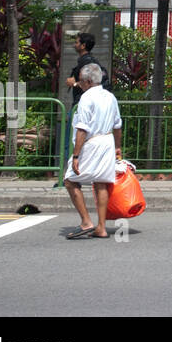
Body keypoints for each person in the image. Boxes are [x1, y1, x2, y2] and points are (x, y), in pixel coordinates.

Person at [63, 63, 122, 239]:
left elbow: (82, 129)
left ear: (88, 81)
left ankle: (86, 221)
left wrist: (76, 155)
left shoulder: (86, 98)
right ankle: (101, 227)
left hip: (92, 143)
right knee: (101, 182)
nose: (79, 84)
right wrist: (118, 147)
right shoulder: (110, 96)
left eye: (81, 81)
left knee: (70, 180)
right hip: (107, 141)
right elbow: (118, 124)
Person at [66, 32, 110, 105]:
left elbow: (92, 83)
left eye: (76, 43)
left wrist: (74, 84)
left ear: (83, 45)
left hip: (84, 102)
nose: (74, 45)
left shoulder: (87, 62)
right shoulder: (87, 60)